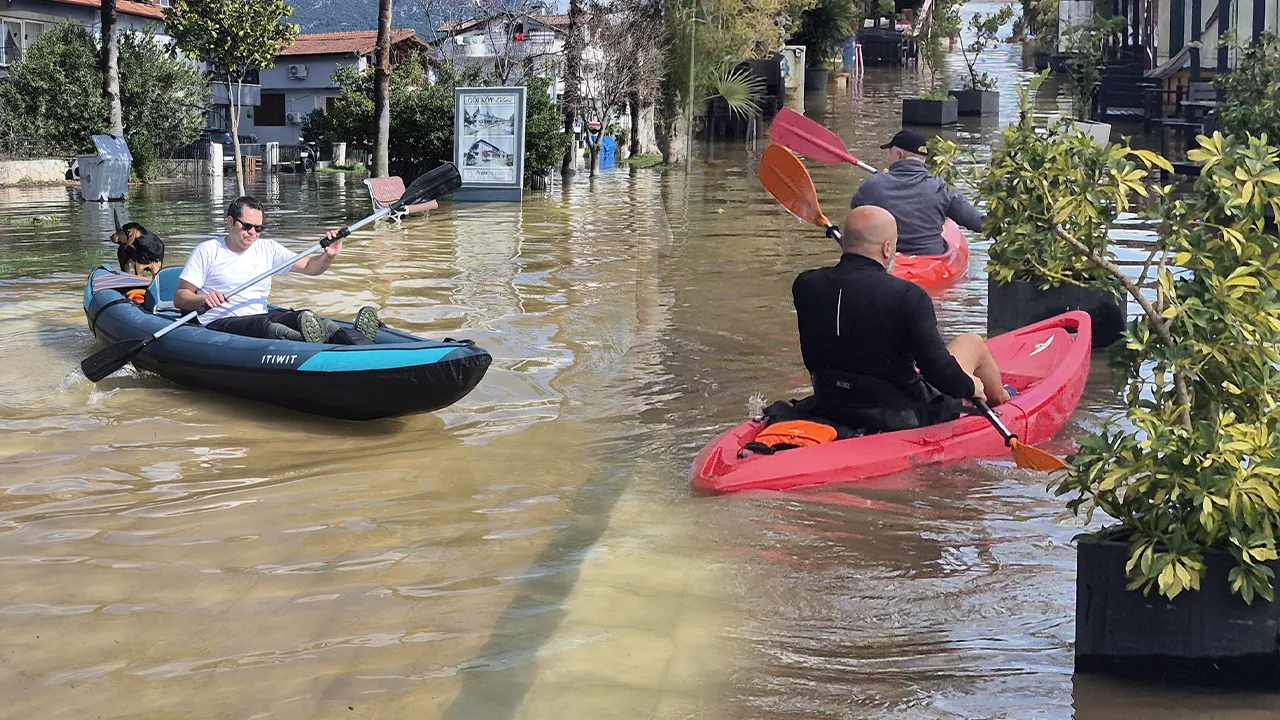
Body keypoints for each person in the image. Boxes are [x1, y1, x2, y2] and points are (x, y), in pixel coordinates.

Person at [792, 206, 1010, 433]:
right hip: (899, 415)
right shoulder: (909, 296)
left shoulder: (805, 285)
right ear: (887, 248)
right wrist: (969, 386)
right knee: (972, 342)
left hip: (829, 403)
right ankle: (1005, 399)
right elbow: (938, 373)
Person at [174, 196, 381, 344]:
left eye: (258, 228)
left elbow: (311, 267)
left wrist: (329, 255)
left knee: (303, 316)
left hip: (260, 315)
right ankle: (314, 347)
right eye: (247, 226)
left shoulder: (268, 248)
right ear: (230, 222)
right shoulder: (208, 251)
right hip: (220, 322)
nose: (253, 233)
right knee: (269, 328)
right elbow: (180, 297)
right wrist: (204, 299)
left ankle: (361, 342)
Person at [849, 129, 983, 256]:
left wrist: (881, 180)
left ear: (899, 154)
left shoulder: (873, 184)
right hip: (931, 260)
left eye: (890, 153)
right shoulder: (941, 186)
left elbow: (856, 208)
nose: (888, 158)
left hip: (889, 258)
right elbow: (978, 223)